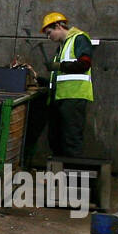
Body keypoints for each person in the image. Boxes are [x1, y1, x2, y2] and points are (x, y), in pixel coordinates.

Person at [40, 11, 95, 157]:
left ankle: (71, 178)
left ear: (58, 26)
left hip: (73, 97)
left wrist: (58, 66)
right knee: (56, 139)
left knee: (71, 140)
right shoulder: (62, 47)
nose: (48, 37)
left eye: (49, 32)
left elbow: (84, 64)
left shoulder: (79, 39)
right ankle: (60, 175)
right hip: (60, 98)